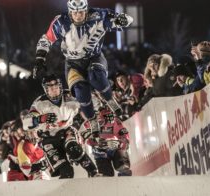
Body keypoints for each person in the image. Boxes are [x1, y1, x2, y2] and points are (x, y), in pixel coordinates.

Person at [33, 0, 134, 137]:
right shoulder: (61, 22)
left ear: (86, 10)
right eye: (74, 13)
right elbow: (46, 39)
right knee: (81, 91)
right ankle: (92, 119)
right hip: (73, 63)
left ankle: (110, 100)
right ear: (70, 12)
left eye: (81, 12)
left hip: (95, 57)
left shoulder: (99, 15)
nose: (78, 16)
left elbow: (126, 19)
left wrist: (124, 20)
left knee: (96, 76)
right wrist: (40, 59)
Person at [22, 74, 98, 178]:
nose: (54, 90)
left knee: (74, 149)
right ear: (46, 90)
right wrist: (40, 119)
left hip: (67, 132)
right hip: (48, 139)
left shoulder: (71, 96)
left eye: (56, 87)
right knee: (66, 172)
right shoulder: (39, 103)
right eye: (51, 88)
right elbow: (26, 123)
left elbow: (91, 101)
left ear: (61, 86)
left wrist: (94, 114)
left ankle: (94, 172)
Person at [79, 97, 132, 177]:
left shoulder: (110, 118)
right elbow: (82, 142)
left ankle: (127, 183)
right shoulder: (84, 126)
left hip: (115, 149)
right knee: (106, 176)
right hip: (100, 154)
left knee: (123, 166)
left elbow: (124, 134)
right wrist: (95, 143)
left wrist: (120, 143)